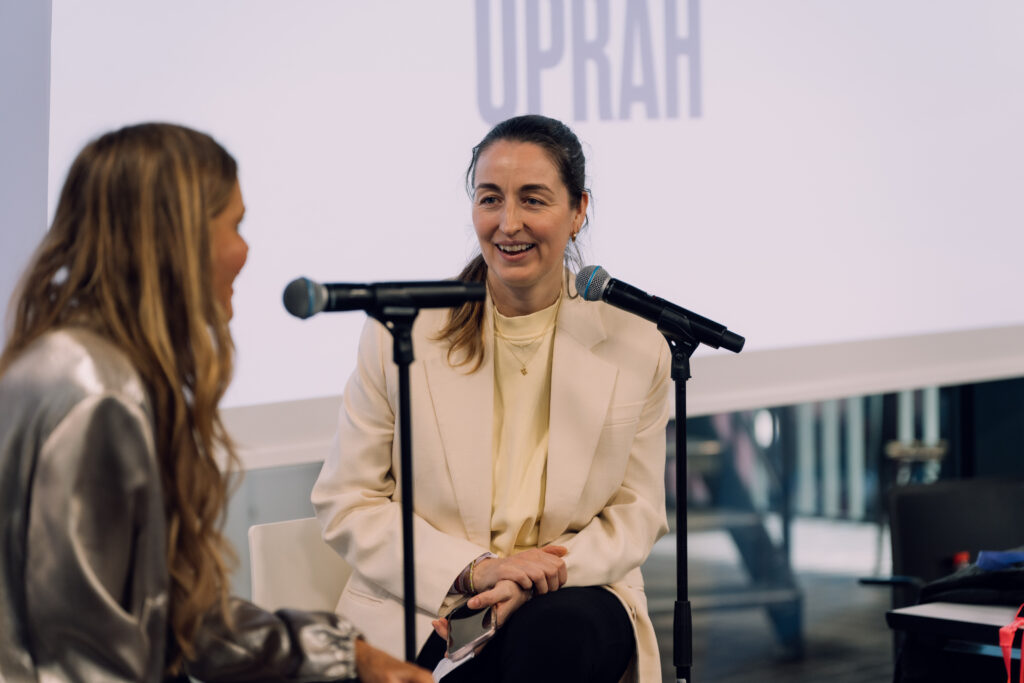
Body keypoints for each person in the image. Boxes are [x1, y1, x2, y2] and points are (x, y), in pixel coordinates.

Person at [0, 123, 432, 683]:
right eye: (235, 224)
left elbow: (173, 610)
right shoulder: (99, 395)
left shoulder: (71, 363)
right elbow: (86, 663)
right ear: (175, 236)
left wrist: (349, 658)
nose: (245, 251)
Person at [312, 114, 671, 682]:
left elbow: (635, 512)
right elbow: (348, 500)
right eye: (489, 199)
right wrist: (480, 571)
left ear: (579, 210)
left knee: (558, 632)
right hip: (436, 604)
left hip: (574, 590)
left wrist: (533, 577)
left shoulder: (638, 342)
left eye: (533, 200)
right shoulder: (404, 332)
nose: (508, 224)